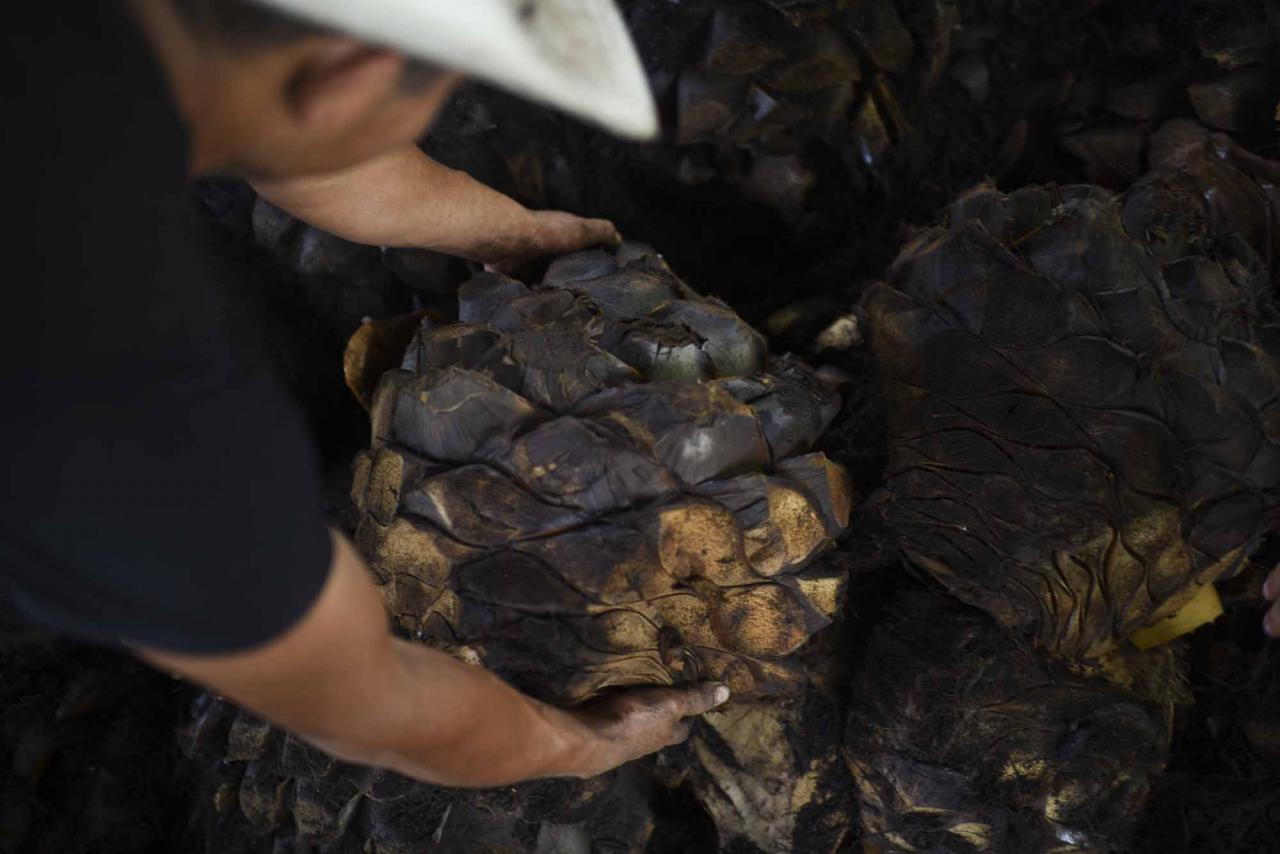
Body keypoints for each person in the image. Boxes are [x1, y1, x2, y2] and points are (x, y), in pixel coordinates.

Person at [0, 0, 728, 789]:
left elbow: (305, 137)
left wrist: (517, 236)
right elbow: (372, 705)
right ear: (353, 76)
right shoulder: (147, 427)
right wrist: (586, 742)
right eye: (430, 97)